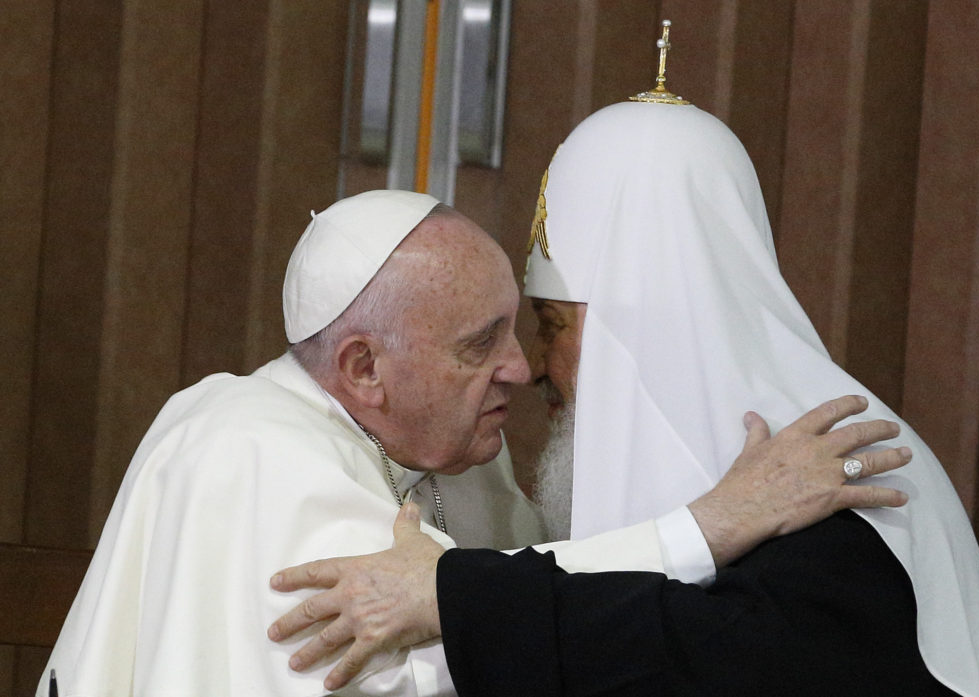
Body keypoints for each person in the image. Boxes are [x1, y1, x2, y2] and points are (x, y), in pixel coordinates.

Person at [267, 102, 979, 696]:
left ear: (644, 335)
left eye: (553, 325)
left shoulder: (834, 467)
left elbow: (702, 657)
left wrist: (450, 596)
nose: (533, 368)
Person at [38, 190, 906, 697]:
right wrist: (712, 522)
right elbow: (460, 647)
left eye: (520, 332)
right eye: (477, 345)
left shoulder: (458, 454)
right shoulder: (253, 450)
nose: (521, 371)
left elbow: (537, 599)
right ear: (364, 366)